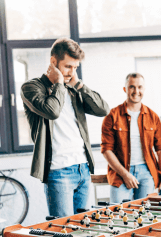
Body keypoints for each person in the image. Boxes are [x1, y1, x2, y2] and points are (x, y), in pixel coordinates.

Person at [20, 38, 110, 217]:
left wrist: (79, 85)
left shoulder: (73, 88)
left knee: (84, 229)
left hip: (82, 168)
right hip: (58, 172)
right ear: (53, 62)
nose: (72, 72)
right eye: (68, 66)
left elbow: (103, 109)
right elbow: (52, 111)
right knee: (64, 230)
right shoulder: (31, 87)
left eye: (76, 67)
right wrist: (59, 83)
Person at [101, 73, 161, 204]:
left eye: (140, 87)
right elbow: (106, 150)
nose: (136, 91)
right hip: (120, 173)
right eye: (132, 87)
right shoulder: (112, 116)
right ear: (125, 89)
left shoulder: (153, 117)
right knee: (119, 213)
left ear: (144, 89)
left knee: (145, 215)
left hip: (147, 172)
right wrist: (125, 174)